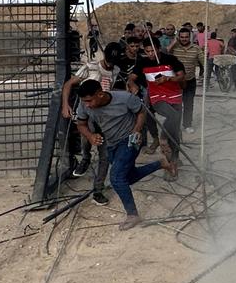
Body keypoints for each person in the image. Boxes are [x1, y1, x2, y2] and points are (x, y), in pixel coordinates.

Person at [73, 80, 176, 230]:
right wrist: (90, 136)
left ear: (100, 94)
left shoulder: (125, 98)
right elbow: (81, 124)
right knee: (128, 177)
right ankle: (161, 164)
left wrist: (137, 129)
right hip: (112, 143)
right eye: (84, 102)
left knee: (116, 177)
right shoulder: (84, 105)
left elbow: (141, 112)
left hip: (130, 141)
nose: (86, 105)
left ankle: (133, 215)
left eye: (89, 100)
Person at [59, 41, 124, 204]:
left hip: (103, 114)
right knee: (86, 138)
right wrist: (65, 104)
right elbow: (69, 84)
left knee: (105, 154)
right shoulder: (90, 67)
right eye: (108, 59)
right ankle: (86, 158)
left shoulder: (116, 70)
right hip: (85, 111)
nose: (110, 64)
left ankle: (98, 189)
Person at [132, 39, 186, 178]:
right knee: (173, 119)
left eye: (153, 50)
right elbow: (132, 77)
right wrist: (132, 83)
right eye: (147, 51)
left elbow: (181, 77)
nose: (151, 54)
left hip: (175, 97)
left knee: (174, 130)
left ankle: (173, 160)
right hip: (157, 97)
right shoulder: (142, 62)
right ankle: (163, 139)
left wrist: (168, 79)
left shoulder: (171, 59)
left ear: (159, 49)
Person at [166, 28, 203, 133]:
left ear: (190, 37)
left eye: (186, 37)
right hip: (175, 81)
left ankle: (187, 124)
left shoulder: (196, 48)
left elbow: (203, 60)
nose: (184, 39)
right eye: (181, 37)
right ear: (178, 37)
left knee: (188, 104)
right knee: (175, 104)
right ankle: (174, 125)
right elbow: (165, 52)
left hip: (190, 80)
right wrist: (174, 42)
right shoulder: (174, 48)